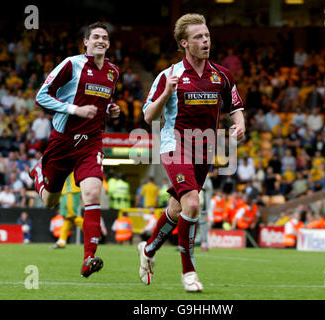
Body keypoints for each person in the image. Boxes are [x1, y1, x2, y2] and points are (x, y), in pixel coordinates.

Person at [137, 13, 245, 292]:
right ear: (184, 43)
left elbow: (235, 107)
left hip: (205, 149)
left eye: (207, 35)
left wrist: (240, 125)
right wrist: (166, 93)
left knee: (177, 208)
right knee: (194, 204)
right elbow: (149, 116)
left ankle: (148, 250)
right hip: (174, 145)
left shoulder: (222, 74)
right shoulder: (168, 76)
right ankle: (189, 272)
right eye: (198, 37)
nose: (205, 41)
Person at [29, 22, 121, 278]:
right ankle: (38, 173)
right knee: (50, 201)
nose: (101, 40)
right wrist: (74, 110)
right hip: (63, 140)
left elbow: (102, 101)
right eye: (96, 37)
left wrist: (112, 109)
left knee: (92, 192)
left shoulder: (113, 72)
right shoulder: (72, 64)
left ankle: (89, 257)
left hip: (91, 141)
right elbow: (41, 96)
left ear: (108, 44)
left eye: (105, 37)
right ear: (86, 43)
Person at [51, 172, 84, 249]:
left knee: (72, 216)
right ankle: (61, 241)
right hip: (66, 191)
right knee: (67, 218)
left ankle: (93, 233)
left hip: (71, 190)